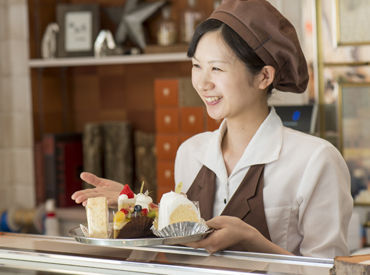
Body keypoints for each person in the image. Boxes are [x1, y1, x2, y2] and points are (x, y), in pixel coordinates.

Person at [72, 0, 353, 258]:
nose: (203, 83)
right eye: (197, 66)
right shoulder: (191, 153)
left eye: (217, 69)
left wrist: (253, 241)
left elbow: (330, 270)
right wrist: (135, 205)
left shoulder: (315, 161)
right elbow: (184, 239)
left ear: (264, 76)